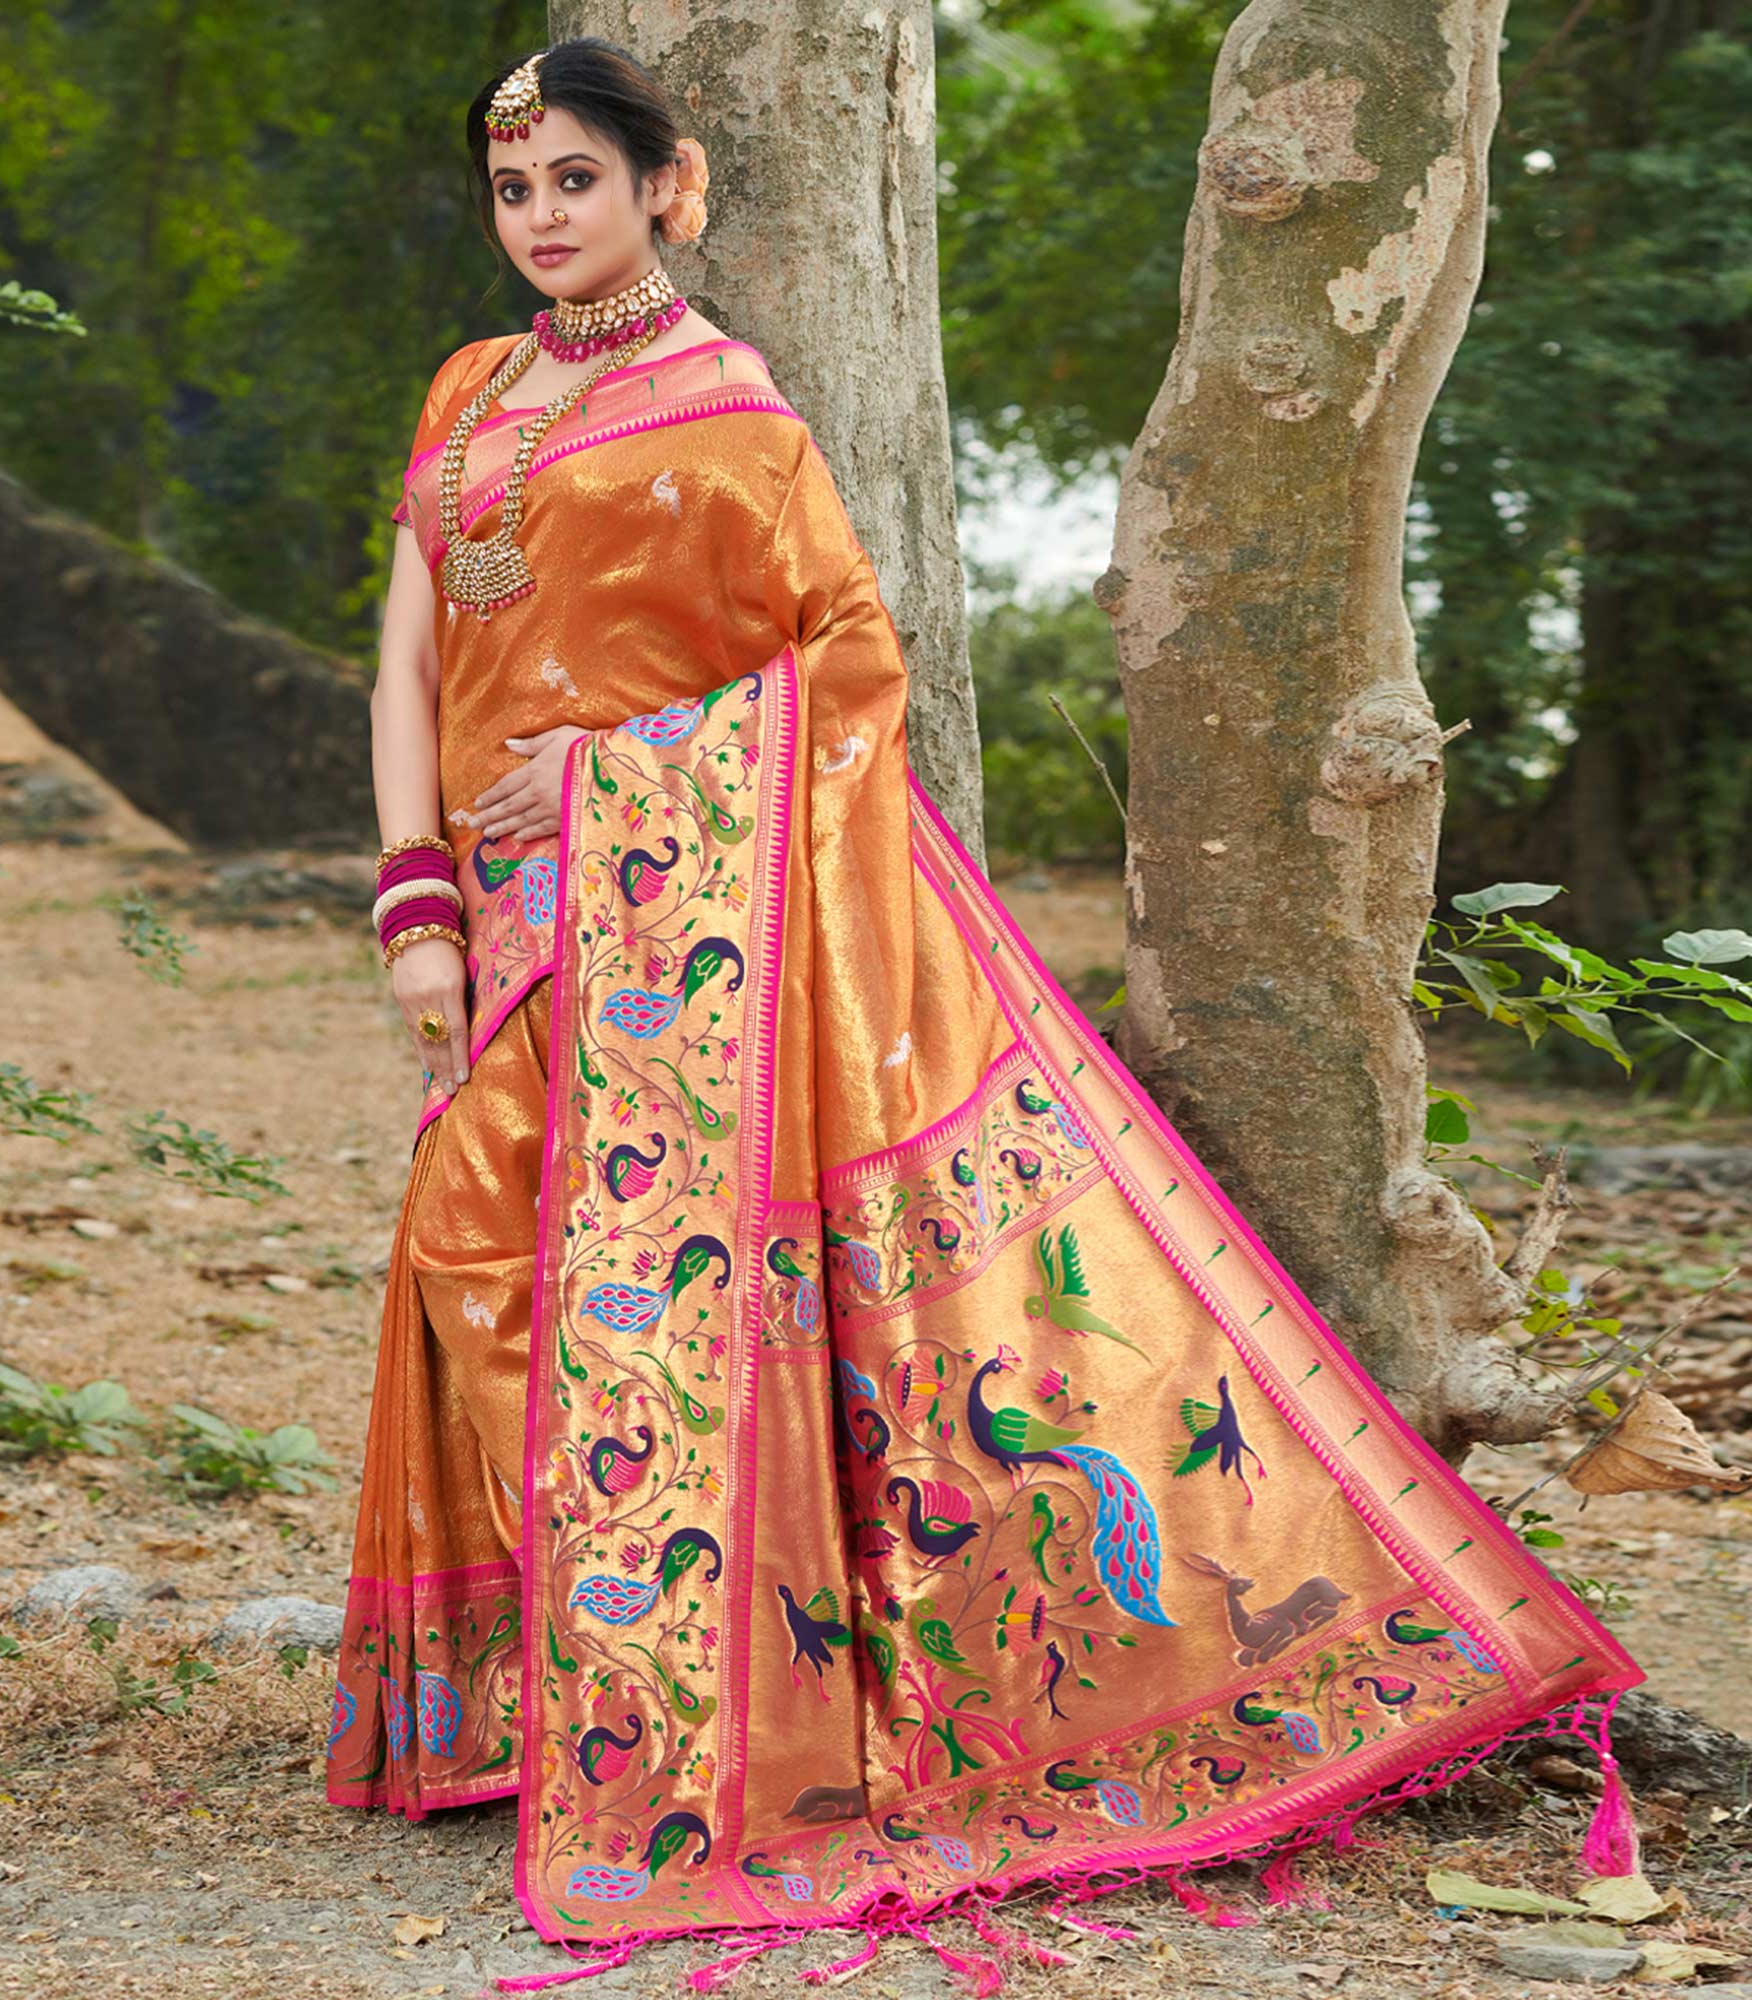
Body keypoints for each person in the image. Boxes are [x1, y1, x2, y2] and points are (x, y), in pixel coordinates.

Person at [328, 36, 1644, 1991]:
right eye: (513, 189)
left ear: (665, 185)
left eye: (576, 184)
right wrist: (417, 905)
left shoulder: (736, 413)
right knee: (464, 1257)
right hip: (499, 927)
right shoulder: (466, 395)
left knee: (586, 1292)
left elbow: (843, 674)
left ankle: (680, 1710)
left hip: (683, 938)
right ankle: (533, 1709)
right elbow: (411, 658)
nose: (541, 219)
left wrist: (615, 774)